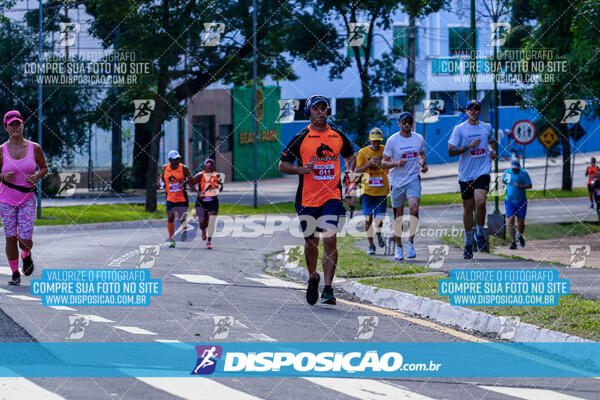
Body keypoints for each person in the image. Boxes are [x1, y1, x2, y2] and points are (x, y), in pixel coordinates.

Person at [279, 95, 356, 305]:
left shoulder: (337, 135)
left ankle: (329, 288)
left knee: (330, 239)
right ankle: (313, 277)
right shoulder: (301, 137)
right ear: (308, 112)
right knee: (311, 243)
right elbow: (282, 165)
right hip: (307, 199)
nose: (321, 112)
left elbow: (350, 156)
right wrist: (299, 169)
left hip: (332, 197)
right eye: (316, 108)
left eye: (324, 108)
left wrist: (350, 177)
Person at [0, 110, 48, 286]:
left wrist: (36, 176)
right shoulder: (1, 150)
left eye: (18, 123)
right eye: (11, 124)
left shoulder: (34, 147)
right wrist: (2, 177)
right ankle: (15, 273)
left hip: (27, 198)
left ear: (22, 125)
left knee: (25, 239)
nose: (15, 127)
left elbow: (44, 168)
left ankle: (26, 255)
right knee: (10, 237)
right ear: (6, 127)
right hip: (6, 199)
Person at [448, 100, 497, 259]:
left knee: (480, 201)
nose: (474, 112)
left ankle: (480, 232)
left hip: (482, 170)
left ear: (480, 111)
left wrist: (492, 151)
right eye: (471, 109)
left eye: (476, 109)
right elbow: (451, 151)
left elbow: (492, 142)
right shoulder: (459, 130)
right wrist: (468, 146)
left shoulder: (487, 127)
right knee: (468, 208)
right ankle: (468, 243)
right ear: (466, 112)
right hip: (466, 174)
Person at [382, 112, 428, 260]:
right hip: (396, 181)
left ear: (413, 123)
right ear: (399, 124)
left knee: (414, 208)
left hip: (413, 178)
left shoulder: (418, 138)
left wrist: (423, 164)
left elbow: (421, 154)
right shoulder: (392, 140)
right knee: (398, 217)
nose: (407, 124)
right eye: (404, 122)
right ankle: (399, 247)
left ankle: (411, 242)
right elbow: (383, 163)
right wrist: (396, 163)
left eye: (410, 121)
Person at [355, 128, 390, 255]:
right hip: (367, 190)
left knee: (379, 219)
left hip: (382, 190)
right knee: (368, 219)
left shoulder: (385, 150)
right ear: (369, 140)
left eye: (378, 141)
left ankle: (379, 233)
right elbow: (357, 170)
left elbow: (390, 166)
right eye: (374, 141)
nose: (376, 143)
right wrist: (369, 163)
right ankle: (371, 244)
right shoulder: (363, 152)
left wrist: (381, 164)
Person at [160, 150, 192, 248]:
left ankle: (184, 229)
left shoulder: (184, 168)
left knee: (181, 218)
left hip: (182, 197)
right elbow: (162, 178)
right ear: (170, 160)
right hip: (170, 197)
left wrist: (184, 182)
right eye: (175, 159)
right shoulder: (165, 168)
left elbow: (191, 177)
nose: (177, 161)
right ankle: (172, 240)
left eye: (178, 159)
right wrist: (161, 184)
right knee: (170, 218)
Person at [189, 158, 222, 249]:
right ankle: (203, 230)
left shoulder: (218, 175)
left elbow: (221, 188)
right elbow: (191, 184)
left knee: (211, 221)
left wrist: (218, 188)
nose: (209, 169)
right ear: (204, 168)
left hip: (213, 201)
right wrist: (198, 192)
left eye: (211, 167)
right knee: (203, 222)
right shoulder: (200, 175)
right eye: (208, 167)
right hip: (201, 202)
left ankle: (209, 241)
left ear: (214, 167)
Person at [502, 158, 532, 249]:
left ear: (519, 167)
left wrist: (520, 186)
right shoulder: (508, 172)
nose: (514, 170)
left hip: (521, 200)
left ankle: (520, 235)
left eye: (516, 168)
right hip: (509, 200)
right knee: (510, 221)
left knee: (521, 223)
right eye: (513, 168)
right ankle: (513, 242)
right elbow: (504, 181)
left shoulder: (524, 173)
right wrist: (504, 182)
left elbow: (530, 185)